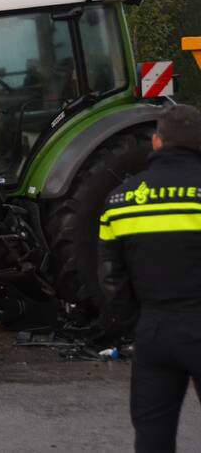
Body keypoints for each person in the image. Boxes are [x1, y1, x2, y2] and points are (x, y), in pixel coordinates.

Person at [98, 104, 201, 452]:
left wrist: (136, 325)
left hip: (154, 333)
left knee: (153, 438)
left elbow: (112, 278)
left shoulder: (121, 200)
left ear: (157, 142)